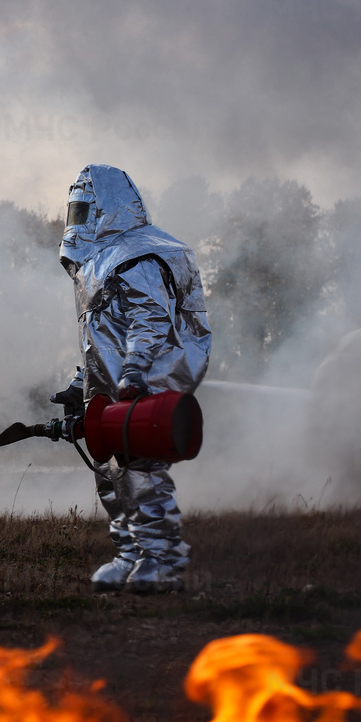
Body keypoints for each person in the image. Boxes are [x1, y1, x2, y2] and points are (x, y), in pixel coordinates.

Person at [50, 164, 211, 593]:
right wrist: (84, 379)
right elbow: (101, 334)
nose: (77, 221)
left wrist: (136, 371)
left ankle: (161, 558)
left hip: (142, 385)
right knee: (111, 472)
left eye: (85, 211)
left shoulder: (137, 253)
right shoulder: (100, 262)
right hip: (110, 388)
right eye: (75, 212)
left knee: (142, 471)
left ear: (108, 209)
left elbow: (150, 318)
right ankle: (129, 552)